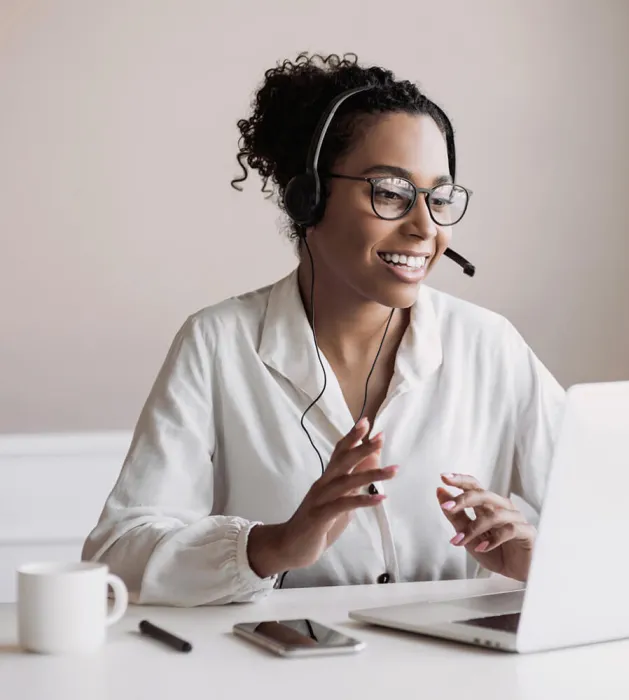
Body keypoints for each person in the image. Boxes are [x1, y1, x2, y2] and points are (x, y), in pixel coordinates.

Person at [82, 52, 565, 607]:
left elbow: (617, 523)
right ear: (308, 196)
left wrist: (540, 557)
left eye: (438, 198)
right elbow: (116, 556)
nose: (425, 228)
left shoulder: (490, 346)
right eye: (390, 192)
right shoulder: (218, 343)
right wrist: (272, 546)